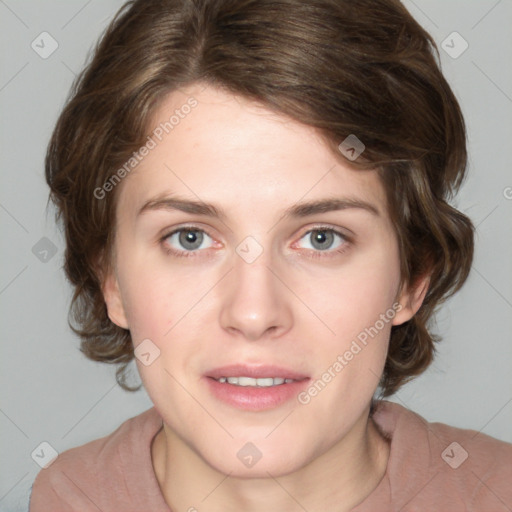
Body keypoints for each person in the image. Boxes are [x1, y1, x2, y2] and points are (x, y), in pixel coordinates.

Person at [29, 0, 512, 510]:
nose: (254, 314)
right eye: (189, 237)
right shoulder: (66, 497)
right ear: (110, 277)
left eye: (321, 238)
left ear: (412, 276)